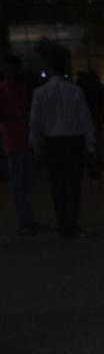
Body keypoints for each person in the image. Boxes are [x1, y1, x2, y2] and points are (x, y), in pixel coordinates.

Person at [29, 40, 95, 239]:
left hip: (53, 143)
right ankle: (72, 223)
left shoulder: (40, 93)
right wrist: (90, 145)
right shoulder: (74, 90)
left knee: (57, 185)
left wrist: (36, 144)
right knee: (73, 185)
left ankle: (63, 223)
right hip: (73, 142)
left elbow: (36, 122)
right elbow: (85, 119)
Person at [0, 56, 36, 235]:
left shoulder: (20, 88)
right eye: (7, 68)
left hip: (23, 139)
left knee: (26, 184)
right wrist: (16, 116)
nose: (10, 72)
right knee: (18, 185)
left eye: (12, 68)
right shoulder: (3, 89)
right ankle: (23, 222)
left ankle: (27, 220)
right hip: (13, 142)